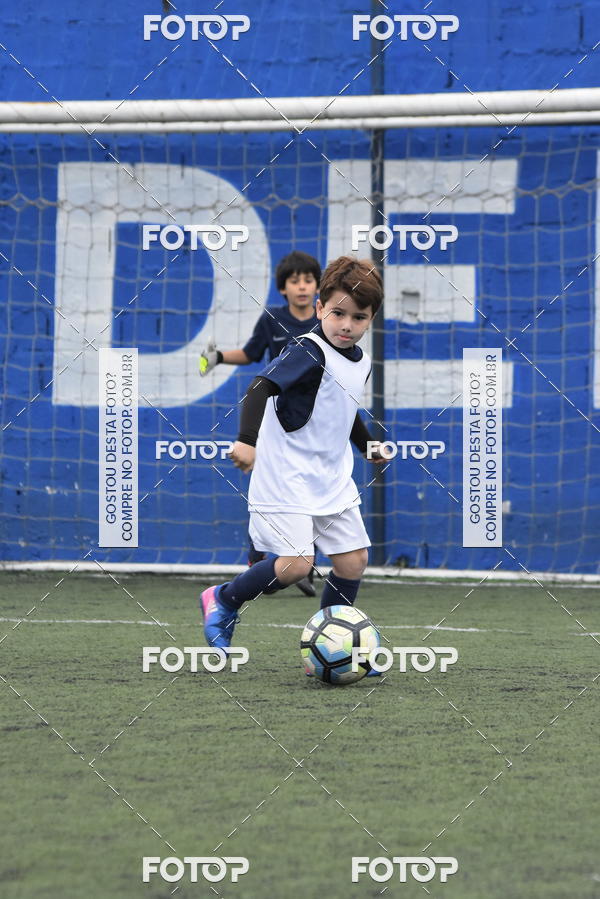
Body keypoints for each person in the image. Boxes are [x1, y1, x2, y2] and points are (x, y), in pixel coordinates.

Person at [199, 255, 386, 650]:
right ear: (320, 308)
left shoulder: (362, 361)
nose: (347, 325)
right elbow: (259, 387)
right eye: (338, 313)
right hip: (285, 473)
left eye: (359, 317)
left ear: (371, 319)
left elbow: (340, 409)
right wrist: (246, 441)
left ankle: (333, 644)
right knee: (297, 565)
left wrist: (368, 446)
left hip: (331, 475)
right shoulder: (308, 348)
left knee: (353, 561)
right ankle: (223, 598)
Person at [199, 250, 322, 597]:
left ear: (317, 287)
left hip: (313, 420)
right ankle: (258, 559)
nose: (302, 286)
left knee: (314, 487)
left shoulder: (326, 323)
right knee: (267, 490)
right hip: (274, 420)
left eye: (308, 280)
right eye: (294, 281)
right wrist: (218, 357)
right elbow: (252, 354)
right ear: (283, 289)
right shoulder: (272, 319)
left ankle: (303, 563)